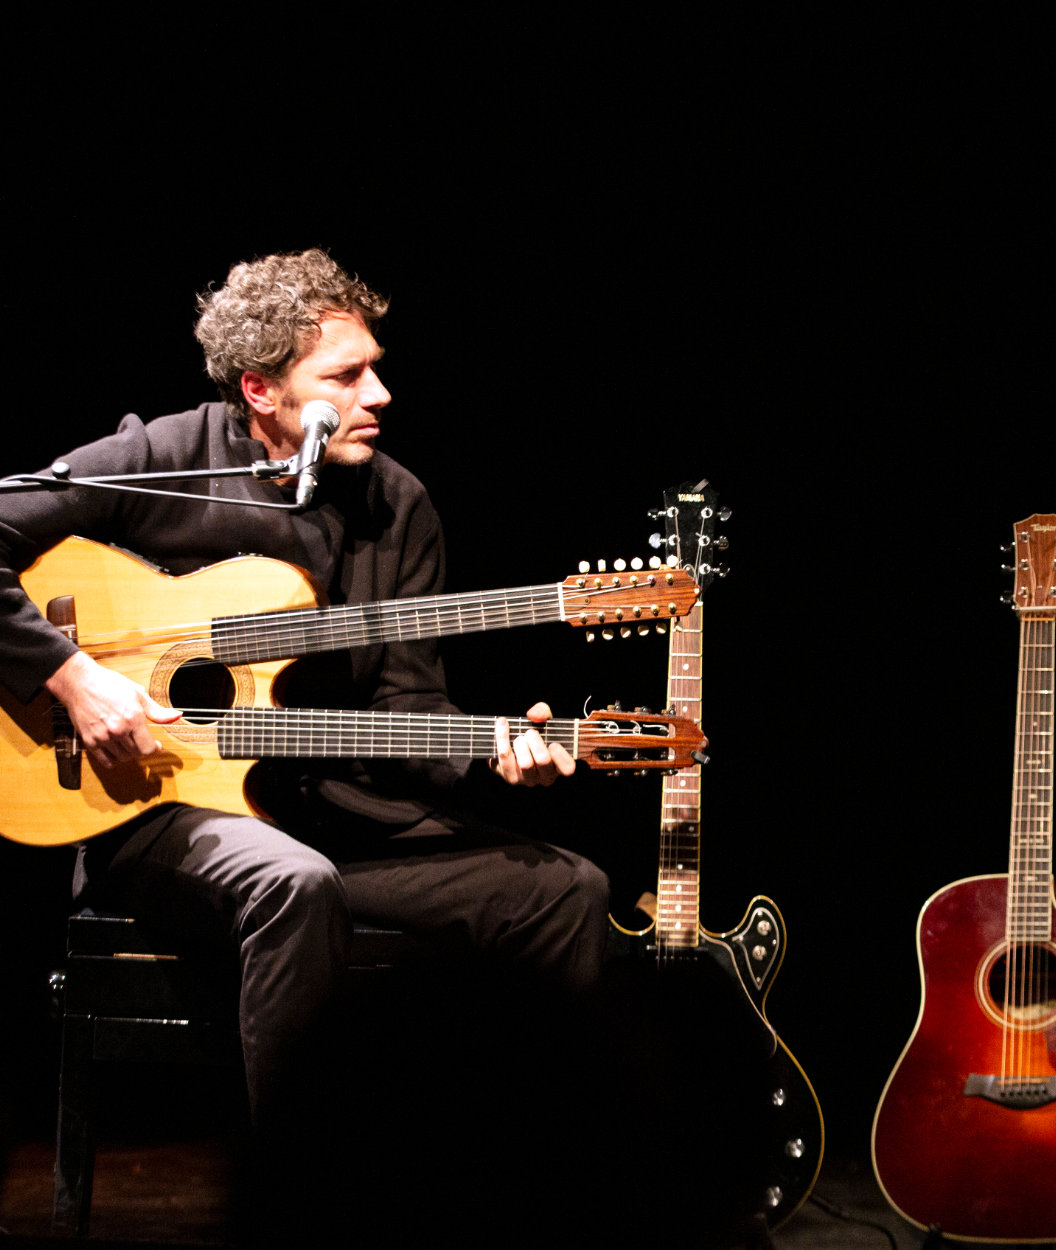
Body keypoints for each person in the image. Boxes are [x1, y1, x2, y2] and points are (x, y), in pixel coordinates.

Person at [0, 249, 610, 1237]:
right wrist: (71, 676)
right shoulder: (163, 458)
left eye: (375, 369)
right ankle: (306, 1206)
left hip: (335, 816)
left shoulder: (398, 505)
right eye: (347, 375)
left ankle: (547, 1202)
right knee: (294, 883)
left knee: (565, 889)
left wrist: (497, 747)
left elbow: (411, 708)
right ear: (260, 389)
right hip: (158, 814)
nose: (380, 394)